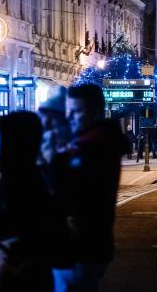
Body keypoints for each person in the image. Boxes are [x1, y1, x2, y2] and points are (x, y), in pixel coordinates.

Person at [50, 84, 124, 291]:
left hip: (81, 245)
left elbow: (70, 194)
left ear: (94, 113)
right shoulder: (92, 142)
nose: (70, 117)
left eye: (77, 111)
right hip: (88, 244)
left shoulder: (95, 149)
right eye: (69, 111)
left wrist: (56, 159)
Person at [0, 112, 53, 291]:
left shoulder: (19, 183)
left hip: (15, 278)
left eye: (0, 138)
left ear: (14, 144)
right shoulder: (26, 178)